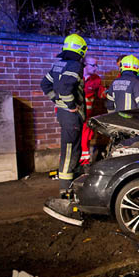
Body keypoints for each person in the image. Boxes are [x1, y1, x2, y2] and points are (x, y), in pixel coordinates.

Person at [41, 33, 87, 224]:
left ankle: (72, 189)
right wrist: (70, 105)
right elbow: (67, 89)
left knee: (74, 149)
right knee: (69, 151)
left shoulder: (59, 64)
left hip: (64, 114)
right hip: (70, 116)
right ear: (80, 50)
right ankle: (65, 192)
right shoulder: (74, 65)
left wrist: (57, 101)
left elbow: (45, 84)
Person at [80, 56, 106, 165]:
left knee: (86, 139)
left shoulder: (96, 79)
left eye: (96, 65)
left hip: (87, 117)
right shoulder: (76, 77)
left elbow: (101, 94)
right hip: (74, 116)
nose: (95, 68)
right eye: (93, 65)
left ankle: (84, 163)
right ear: (84, 64)